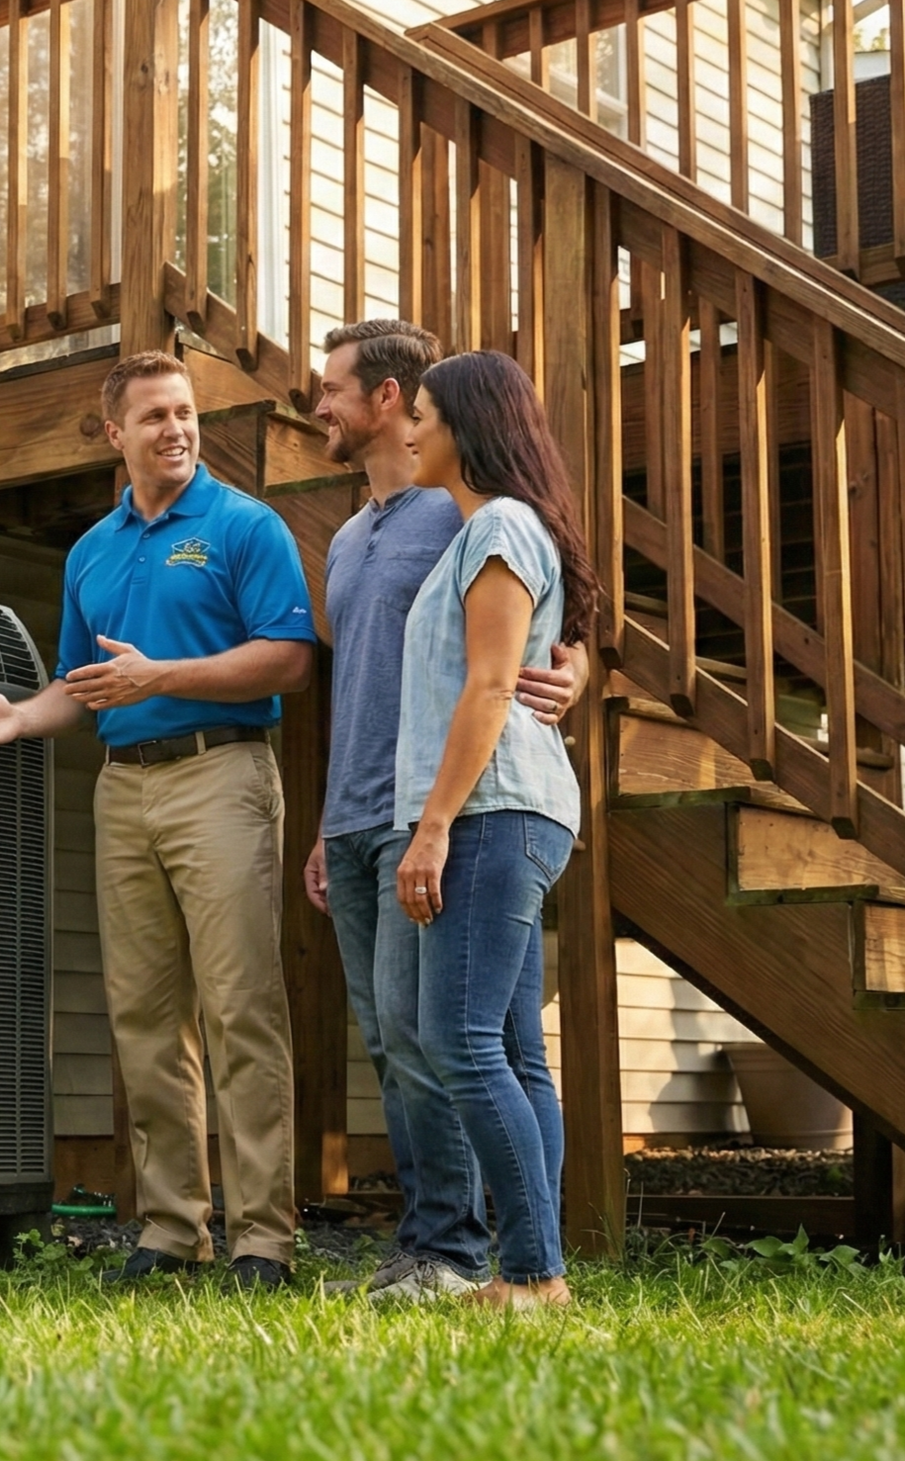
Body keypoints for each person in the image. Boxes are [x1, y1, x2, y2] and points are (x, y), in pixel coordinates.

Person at [0, 349, 316, 1291]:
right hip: (123, 786)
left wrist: (162, 675)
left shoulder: (244, 525)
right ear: (115, 434)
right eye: (153, 416)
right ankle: (171, 1230)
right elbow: (86, 686)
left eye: (185, 412)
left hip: (219, 776)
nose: (176, 430)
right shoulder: (92, 549)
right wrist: (22, 717)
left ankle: (262, 1240)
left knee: (239, 1009)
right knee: (145, 1017)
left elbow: (286, 660)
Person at [302, 322, 584, 1304]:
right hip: (379, 810)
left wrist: (573, 669)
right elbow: (381, 685)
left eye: (332, 387)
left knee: (454, 1040)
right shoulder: (354, 536)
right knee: (443, 1038)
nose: (317, 406)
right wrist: (330, 823)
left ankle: (474, 1251)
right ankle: (512, 1257)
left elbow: (520, 658)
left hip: (466, 808)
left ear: (397, 403)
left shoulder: (474, 518)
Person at [394, 349, 601, 1311]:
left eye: (425, 414)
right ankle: (533, 1269)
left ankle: (534, 1277)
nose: (410, 428)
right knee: (513, 1053)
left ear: (468, 427)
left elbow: (486, 685)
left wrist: (431, 827)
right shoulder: (486, 531)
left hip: (490, 810)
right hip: (509, 807)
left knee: (459, 1039)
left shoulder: (503, 527)